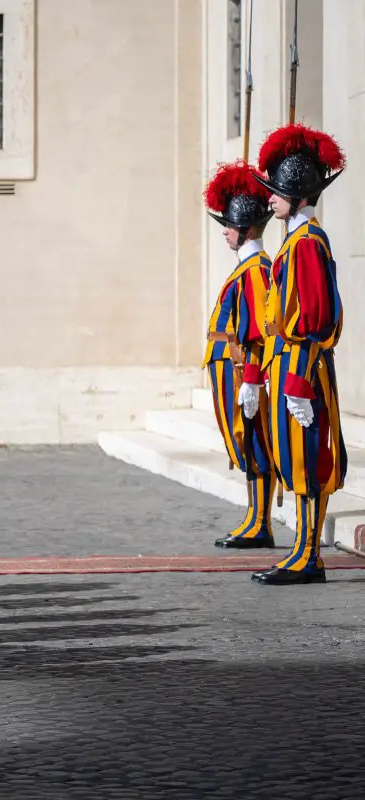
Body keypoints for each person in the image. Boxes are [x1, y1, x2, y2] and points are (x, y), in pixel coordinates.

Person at [250, 123, 348, 585]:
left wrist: (297, 381)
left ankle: (310, 556)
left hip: (300, 367)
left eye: (276, 193)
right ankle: (300, 551)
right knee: (295, 460)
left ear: (297, 195)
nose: (270, 201)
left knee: (308, 460)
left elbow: (314, 320)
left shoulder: (307, 244)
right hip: (289, 364)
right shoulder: (295, 242)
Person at [201, 162, 276, 549]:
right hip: (229, 369)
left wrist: (250, 379)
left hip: (240, 370)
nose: (225, 232)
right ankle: (252, 516)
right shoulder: (246, 268)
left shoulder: (255, 270)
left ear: (245, 228)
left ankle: (261, 522)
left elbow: (256, 331)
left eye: (228, 226)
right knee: (243, 443)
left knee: (254, 442)